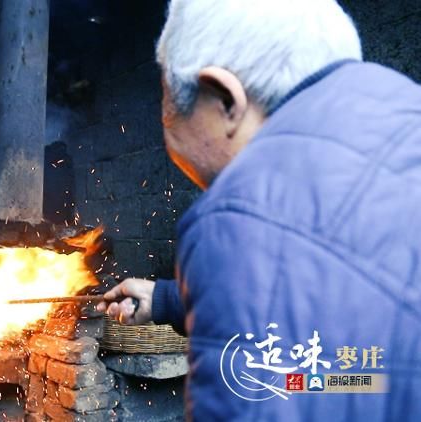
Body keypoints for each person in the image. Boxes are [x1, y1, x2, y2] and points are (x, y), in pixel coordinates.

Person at [98, 0, 421, 420]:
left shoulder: (241, 217)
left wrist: (227, 259)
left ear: (226, 99)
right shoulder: (402, 117)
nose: (206, 187)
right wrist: (169, 300)